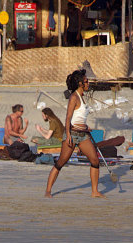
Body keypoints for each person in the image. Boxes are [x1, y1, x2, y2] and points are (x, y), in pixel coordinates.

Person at [45, 70, 104, 198]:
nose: (88, 83)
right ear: (80, 83)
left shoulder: (82, 97)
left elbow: (79, 117)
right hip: (71, 134)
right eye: (86, 81)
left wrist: (86, 127)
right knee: (60, 162)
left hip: (83, 135)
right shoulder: (74, 97)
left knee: (95, 160)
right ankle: (48, 191)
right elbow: (68, 118)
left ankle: (95, 191)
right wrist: (68, 135)